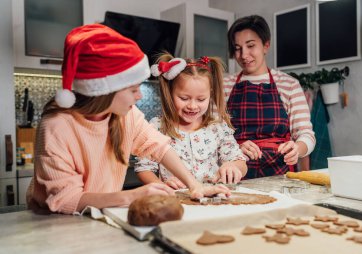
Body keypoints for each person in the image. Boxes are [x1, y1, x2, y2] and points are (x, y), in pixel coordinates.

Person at [26, 24, 230, 215]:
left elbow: (159, 147)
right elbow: (66, 200)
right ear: (106, 91)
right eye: (133, 89)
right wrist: (131, 196)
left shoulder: (126, 115)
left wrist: (195, 185)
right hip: (55, 221)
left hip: (102, 213)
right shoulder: (57, 127)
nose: (139, 96)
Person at [134, 53, 247, 189]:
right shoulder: (157, 127)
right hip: (175, 201)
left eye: (201, 99)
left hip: (214, 199)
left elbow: (240, 162)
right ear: (170, 93)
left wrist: (233, 166)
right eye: (184, 98)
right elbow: (144, 168)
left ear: (210, 94)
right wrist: (162, 186)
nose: (192, 106)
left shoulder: (217, 127)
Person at [224, 15, 316, 178]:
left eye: (250, 45)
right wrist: (233, 148)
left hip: (281, 174)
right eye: (237, 48)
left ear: (266, 45)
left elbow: (306, 134)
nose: (244, 55)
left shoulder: (289, 85)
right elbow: (210, 134)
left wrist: (298, 149)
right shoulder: (224, 85)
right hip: (235, 173)